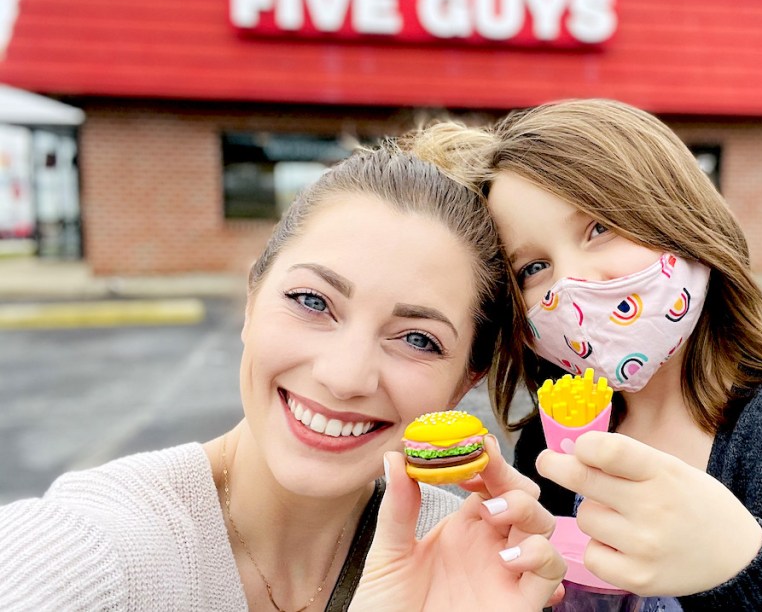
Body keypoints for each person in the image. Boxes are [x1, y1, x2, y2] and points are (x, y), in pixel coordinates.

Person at [0, 144, 565, 611]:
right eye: (312, 301)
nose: (344, 377)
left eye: (418, 339)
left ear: (464, 382)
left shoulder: (465, 558)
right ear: (251, 301)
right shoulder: (91, 555)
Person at [405, 99, 762, 611]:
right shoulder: (546, 441)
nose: (574, 283)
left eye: (598, 228)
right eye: (532, 268)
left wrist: (739, 562)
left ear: (678, 215)